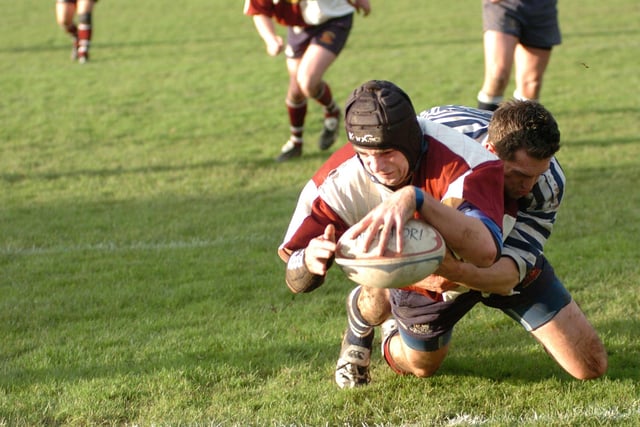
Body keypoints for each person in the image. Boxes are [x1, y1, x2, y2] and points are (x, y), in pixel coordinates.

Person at [333, 101, 607, 388]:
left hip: (497, 256)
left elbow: (510, 273)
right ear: (488, 153)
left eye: (538, 173)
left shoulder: (547, 185)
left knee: (590, 365)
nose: (530, 186)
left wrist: (451, 271)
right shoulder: (437, 134)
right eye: (520, 175)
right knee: (420, 366)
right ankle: (366, 315)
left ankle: (391, 294)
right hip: (438, 236)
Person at [278, 79, 506, 381]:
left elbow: (485, 252)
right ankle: (364, 321)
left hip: (469, 260)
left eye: (386, 153)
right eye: (365, 153)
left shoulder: (461, 161)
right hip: (414, 263)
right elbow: (295, 277)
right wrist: (309, 260)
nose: (376, 165)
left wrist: (419, 201)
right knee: (422, 367)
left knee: (588, 363)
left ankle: (394, 306)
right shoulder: (336, 182)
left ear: (411, 140)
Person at [244, 0, 371, 162]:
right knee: (296, 91)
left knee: (307, 80)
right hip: (299, 25)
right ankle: (296, 142)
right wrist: (270, 39)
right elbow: (259, 9)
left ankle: (331, 111)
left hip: (333, 19)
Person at [476, 0, 561, 111]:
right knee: (498, 75)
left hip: (541, 7)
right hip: (504, 5)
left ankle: (519, 127)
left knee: (531, 84)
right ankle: (485, 126)